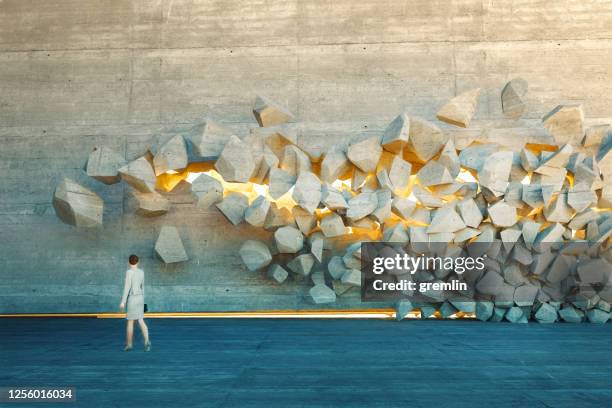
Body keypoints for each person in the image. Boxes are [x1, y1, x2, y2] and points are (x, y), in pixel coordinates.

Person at [119, 254, 151, 351]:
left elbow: (127, 287)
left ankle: (129, 345)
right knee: (141, 320)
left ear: (129, 262)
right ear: (138, 262)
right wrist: (143, 300)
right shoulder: (142, 272)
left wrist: (123, 301)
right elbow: (143, 287)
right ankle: (147, 342)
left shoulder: (129, 272)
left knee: (130, 322)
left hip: (132, 299)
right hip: (140, 298)